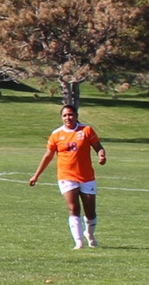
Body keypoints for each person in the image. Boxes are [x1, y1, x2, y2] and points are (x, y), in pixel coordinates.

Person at [28, 102, 106, 248]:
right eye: (64, 115)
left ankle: (89, 234)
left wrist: (102, 156)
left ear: (76, 116)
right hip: (66, 175)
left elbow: (98, 147)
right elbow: (48, 156)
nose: (67, 117)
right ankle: (78, 242)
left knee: (90, 211)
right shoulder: (56, 134)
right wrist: (36, 175)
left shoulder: (86, 130)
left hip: (86, 176)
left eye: (70, 114)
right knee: (73, 208)